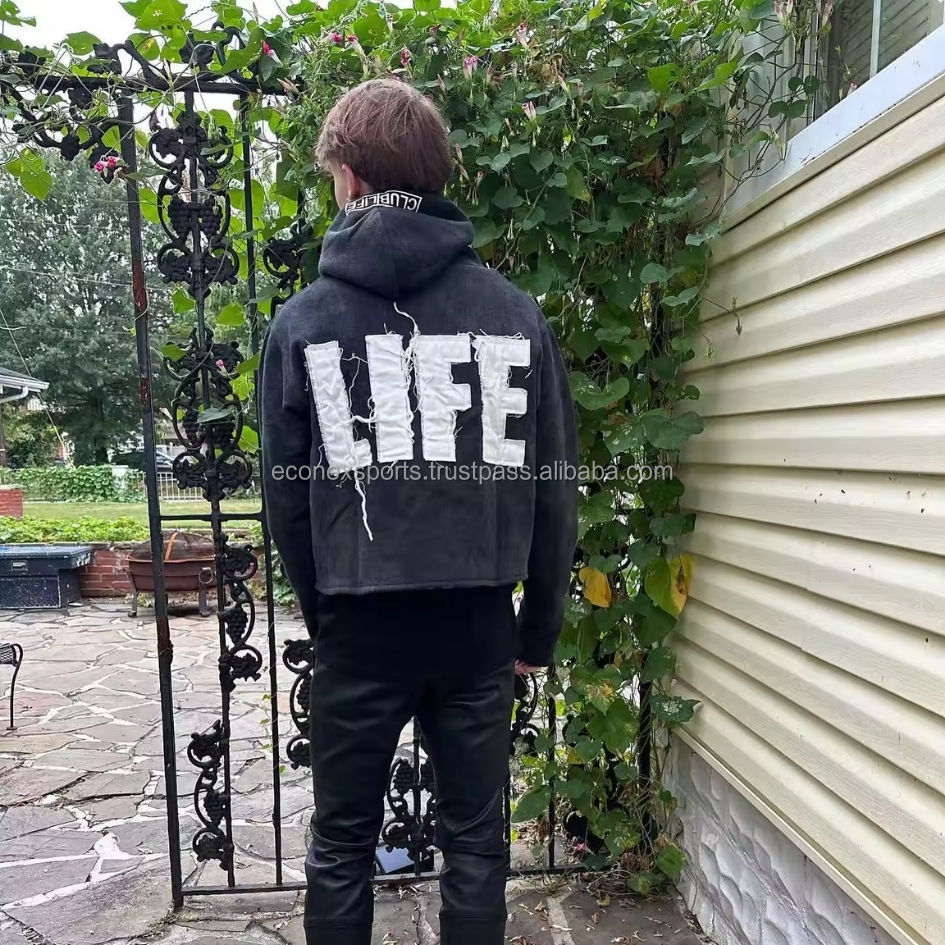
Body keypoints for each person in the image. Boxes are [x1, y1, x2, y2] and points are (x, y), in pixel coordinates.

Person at [260, 77, 578, 945]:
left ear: (350, 177)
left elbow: (286, 500)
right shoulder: (514, 315)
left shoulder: (304, 322)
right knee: (475, 841)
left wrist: (325, 613)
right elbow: (554, 486)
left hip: (360, 624)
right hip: (476, 625)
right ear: (436, 177)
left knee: (341, 843)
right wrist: (535, 632)